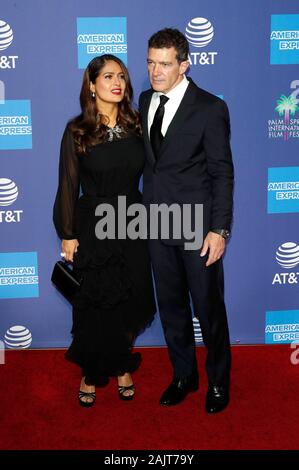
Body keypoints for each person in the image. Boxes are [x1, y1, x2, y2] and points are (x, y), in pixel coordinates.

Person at [139, 29, 234, 413]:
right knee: (172, 306)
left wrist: (220, 229)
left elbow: (222, 173)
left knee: (208, 309)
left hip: (198, 228)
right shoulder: (144, 100)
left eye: (164, 64)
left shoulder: (210, 108)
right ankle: (184, 375)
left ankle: (218, 382)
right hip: (157, 224)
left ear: (184, 64)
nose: (154, 71)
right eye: (150, 62)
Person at [53, 54, 156, 407]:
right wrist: (67, 233)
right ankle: (90, 372)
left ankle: (122, 364)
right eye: (108, 76)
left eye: (122, 77)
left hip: (133, 221)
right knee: (95, 304)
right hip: (94, 225)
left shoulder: (137, 126)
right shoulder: (77, 130)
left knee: (129, 297)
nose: (117, 82)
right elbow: (67, 184)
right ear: (92, 85)